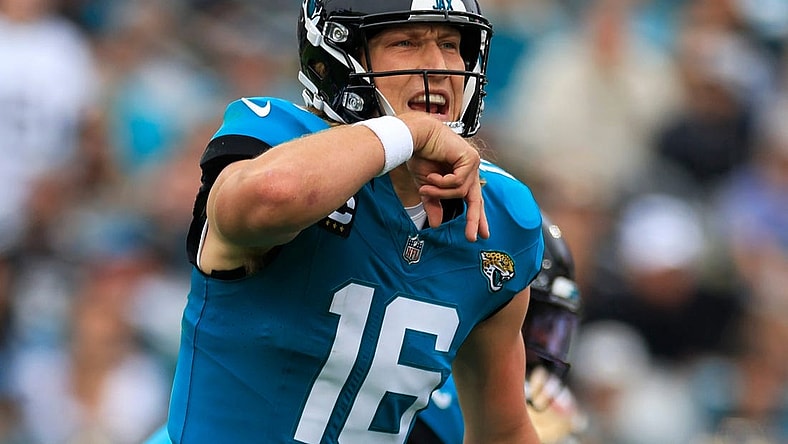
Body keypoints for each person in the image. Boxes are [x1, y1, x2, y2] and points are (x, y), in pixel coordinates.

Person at [150, 1, 545, 443]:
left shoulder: (502, 217)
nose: (440, 66)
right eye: (406, 43)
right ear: (340, 56)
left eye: (451, 45)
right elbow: (272, 194)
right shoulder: (276, 138)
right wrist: (409, 133)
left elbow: (504, 431)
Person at [408, 214, 585, 444]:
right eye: (530, 318)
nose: (541, 336)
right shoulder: (437, 390)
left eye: (549, 325)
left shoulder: (549, 399)